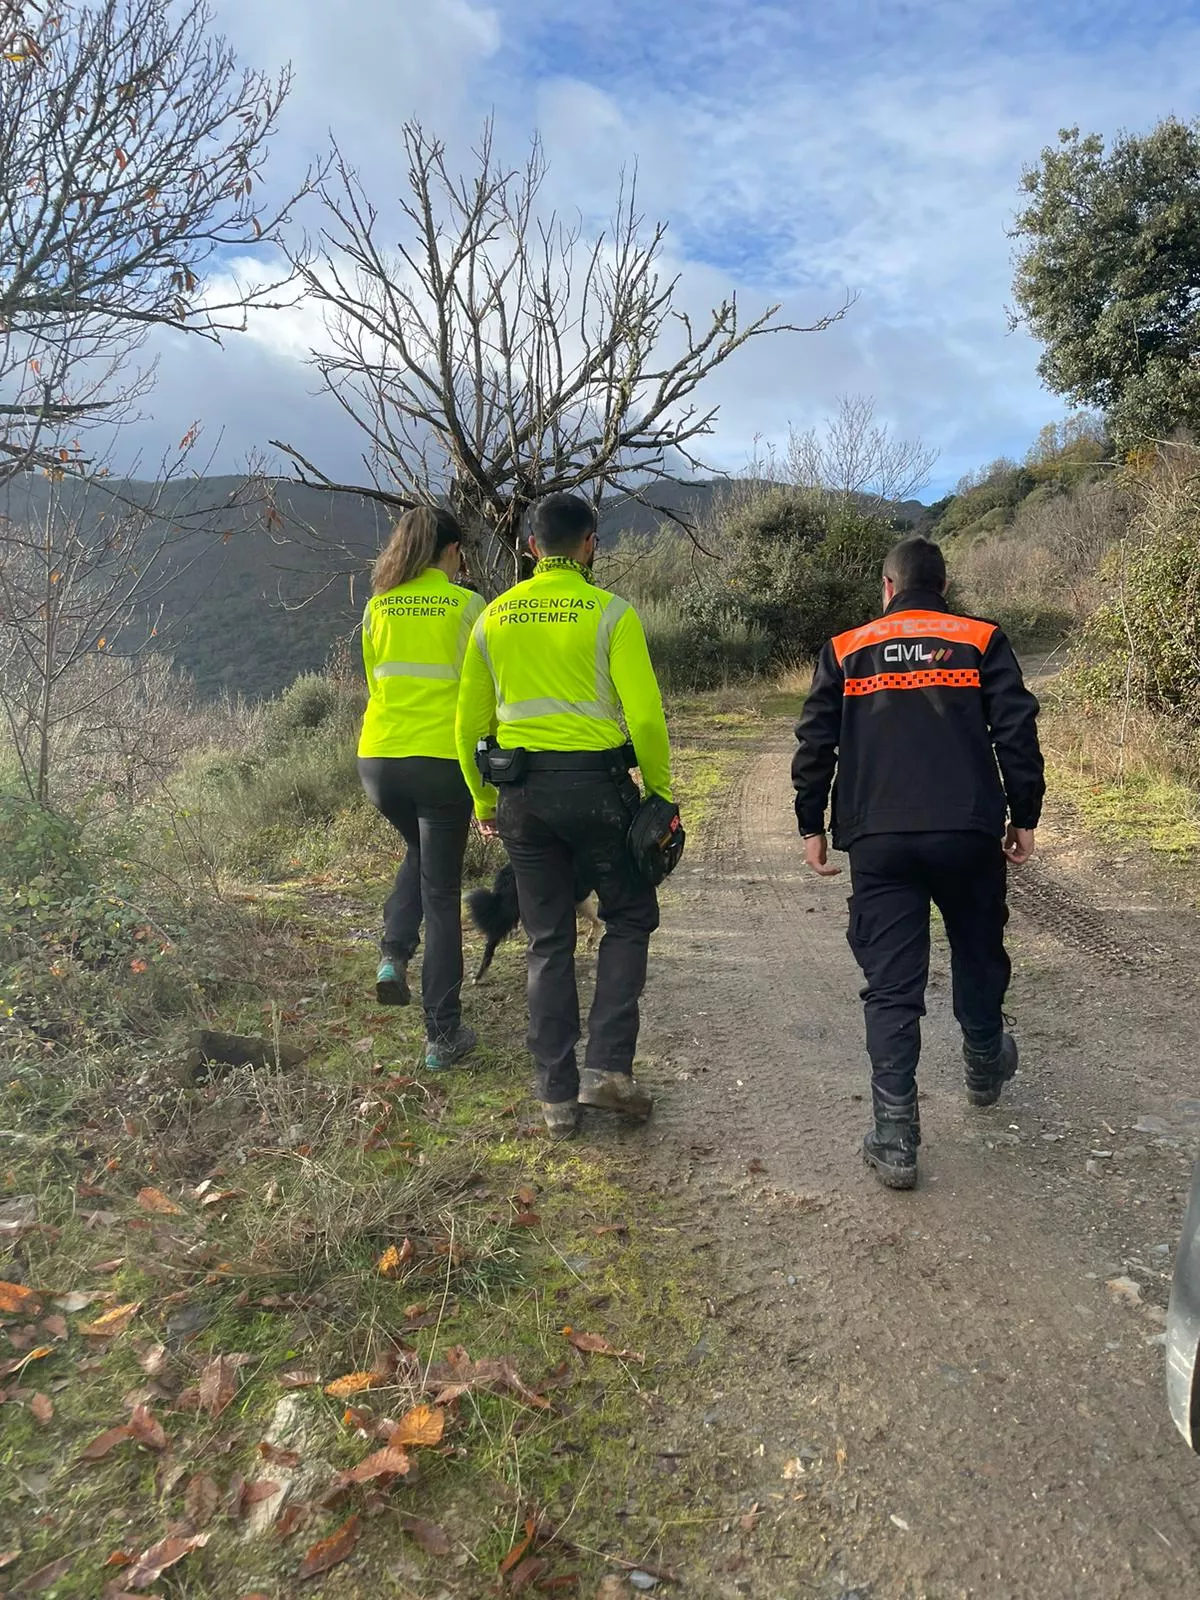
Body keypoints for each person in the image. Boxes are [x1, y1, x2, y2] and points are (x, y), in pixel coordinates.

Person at [792, 535, 1045, 1190]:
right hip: (966, 831)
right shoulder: (979, 638)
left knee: (892, 982)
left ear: (886, 587)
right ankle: (985, 1063)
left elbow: (816, 740)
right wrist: (1026, 814)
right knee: (978, 950)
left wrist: (809, 822)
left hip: (879, 839)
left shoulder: (846, 649)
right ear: (943, 585)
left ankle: (897, 1136)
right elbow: (1016, 728)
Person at [455, 491, 674, 1140]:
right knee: (628, 917)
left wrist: (483, 801)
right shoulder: (612, 614)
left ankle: (556, 1098)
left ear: (530, 549)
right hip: (600, 791)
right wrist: (658, 793)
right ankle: (608, 1066)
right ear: (590, 545)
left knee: (548, 940)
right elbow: (646, 718)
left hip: (523, 799)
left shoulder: (492, 619)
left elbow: (467, 724)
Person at [357, 505, 484, 1071]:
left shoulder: (377, 607)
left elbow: (373, 680)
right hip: (441, 763)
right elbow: (485, 691)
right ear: (452, 552)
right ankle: (441, 1034)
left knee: (421, 852)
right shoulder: (467, 606)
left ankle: (392, 953)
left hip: (379, 761)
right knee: (441, 891)